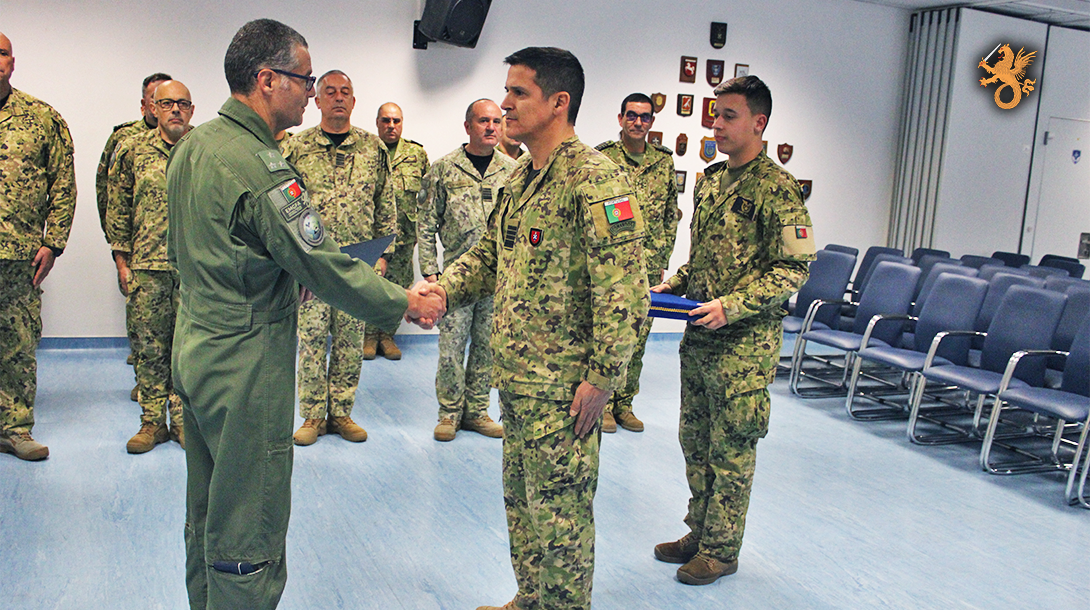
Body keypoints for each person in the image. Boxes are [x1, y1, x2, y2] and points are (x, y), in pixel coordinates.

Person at [166, 19, 443, 609]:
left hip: (195, 346)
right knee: (249, 515)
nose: (311, 90)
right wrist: (403, 301)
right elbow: (322, 263)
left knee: (208, 504)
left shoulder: (196, 144)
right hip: (245, 361)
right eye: (304, 78)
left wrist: (273, 277)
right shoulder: (262, 166)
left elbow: (206, 248)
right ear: (267, 80)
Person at [417, 47, 648, 610]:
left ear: (558, 102)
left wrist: (603, 380)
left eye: (518, 93)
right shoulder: (523, 174)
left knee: (562, 519)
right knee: (523, 506)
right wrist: (443, 288)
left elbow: (625, 295)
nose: (505, 103)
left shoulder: (594, 179)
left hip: (565, 389)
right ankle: (530, 598)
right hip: (517, 379)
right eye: (507, 91)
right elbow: (491, 257)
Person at [651, 75, 814, 585]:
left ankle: (721, 550)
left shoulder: (778, 188)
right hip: (700, 336)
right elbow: (703, 262)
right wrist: (671, 285)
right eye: (714, 114)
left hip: (744, 344)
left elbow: (795, 268)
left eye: (728, 116)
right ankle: (699, 531)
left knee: (732, 447)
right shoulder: (711, 180)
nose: (716, 124)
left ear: (758, 122)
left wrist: (733, 304)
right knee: (694, 440)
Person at [281, 70, 396, 446]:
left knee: (349, 340)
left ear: (354, 100)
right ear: (316, 99)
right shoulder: (296, 148)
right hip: (312, 264)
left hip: (358, 262)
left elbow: (385, 203)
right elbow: (284, 206)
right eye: (330, 91)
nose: (338, 98)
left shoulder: (372, 149)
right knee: (312, 339)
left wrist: (383, 255)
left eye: (345, 92)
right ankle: (313, 415)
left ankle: (342, 412)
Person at [417, 99, 514, 442]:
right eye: (483, 121)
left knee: (488, 347)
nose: (491, 127)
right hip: (455, 277)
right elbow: (426, 222)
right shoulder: (444, 169)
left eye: (497, 121)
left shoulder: (512, 170)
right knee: (452, 348)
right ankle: (448, 413)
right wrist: (430, 273)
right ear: (468, 126)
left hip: (498, 278)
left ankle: (476, 411)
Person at [0, 32, 76, 462]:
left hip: (19, 255)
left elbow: (63, 184)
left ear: (14, 61)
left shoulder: (41, 118)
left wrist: (54, 243)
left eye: (3, 52)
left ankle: (14, 428)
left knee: (17, 344)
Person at [107, 79, 194, 453]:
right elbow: (117, 205)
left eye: (183, 104)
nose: (175, 109)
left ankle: (184, 422)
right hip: (147, 263)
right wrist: (121, 259)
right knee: (149, 348)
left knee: (187, 349)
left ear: (192, 110)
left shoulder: (202, 150)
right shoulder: (133, 150)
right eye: (167, 103)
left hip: (193, 267)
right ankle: (151, 423)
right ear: (152, 108)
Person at [595, 93, 679, 433]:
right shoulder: (604, 158)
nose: (638, 122)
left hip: (648, 266)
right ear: (620, 118)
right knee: (606, 332)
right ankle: (602, 403)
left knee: (639, 337)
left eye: (645, 117)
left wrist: (663, 258)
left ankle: (625, 404)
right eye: (632, 116)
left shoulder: (663, 162)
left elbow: (670, 214)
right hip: (611, 265)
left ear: (652, 122)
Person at [96, 72, 171, 400]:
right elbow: (108, 192)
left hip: (179, 258)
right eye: (158, 100)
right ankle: (150, 391)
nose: (165, 108)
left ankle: (175, 401)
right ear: (145, 104)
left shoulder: (190, 142)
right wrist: (119, 245)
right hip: (142, 250)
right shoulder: (126, 141)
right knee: (144, 330)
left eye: (172, 101)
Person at [371, 102, 428, 360]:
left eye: (396, 121)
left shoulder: (417, 155)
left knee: (397, 289)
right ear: (377, 123)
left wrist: (421, 232)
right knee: (371, 286)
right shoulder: (367, 151)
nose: (391, 126)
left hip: (404, 238)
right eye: (386, 120)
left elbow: (426, 198)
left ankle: (386, 336)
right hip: (373, 237)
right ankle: (369, 336)